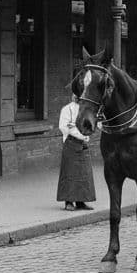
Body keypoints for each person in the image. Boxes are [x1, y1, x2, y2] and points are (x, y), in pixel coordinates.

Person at [57, 76, 95, 210]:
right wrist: (80, 135)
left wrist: (87, 134)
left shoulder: (85, 110)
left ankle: (81, 201)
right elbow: (64, 126)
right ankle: (68, 201)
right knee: (70, 173)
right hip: (71, 144)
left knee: (83, 174)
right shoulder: (67, 109)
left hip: (83, 144)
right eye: (78, 95)